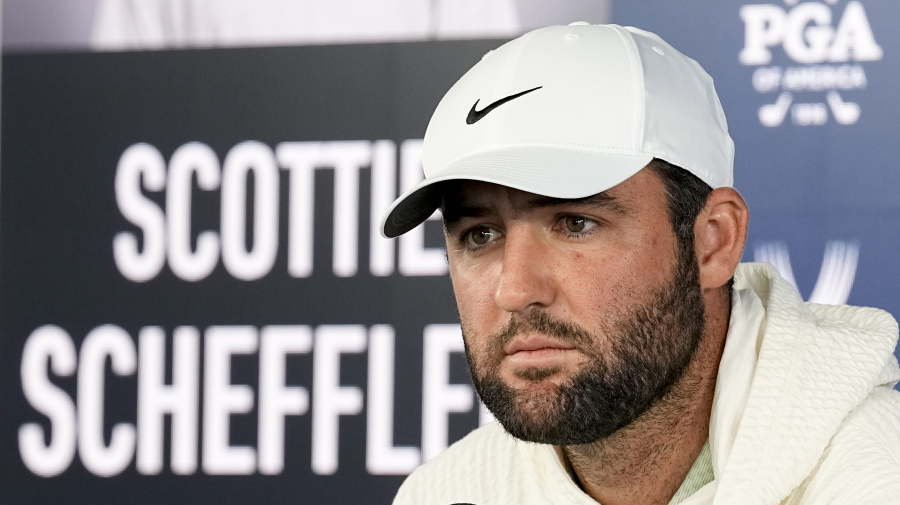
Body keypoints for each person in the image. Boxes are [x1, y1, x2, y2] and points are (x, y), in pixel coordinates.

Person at [380, 23, 900, 505]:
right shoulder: (445, 491)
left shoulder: (874, 475)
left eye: (575, 224)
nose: (515, 290)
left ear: (713, 243)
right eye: (481, 235)